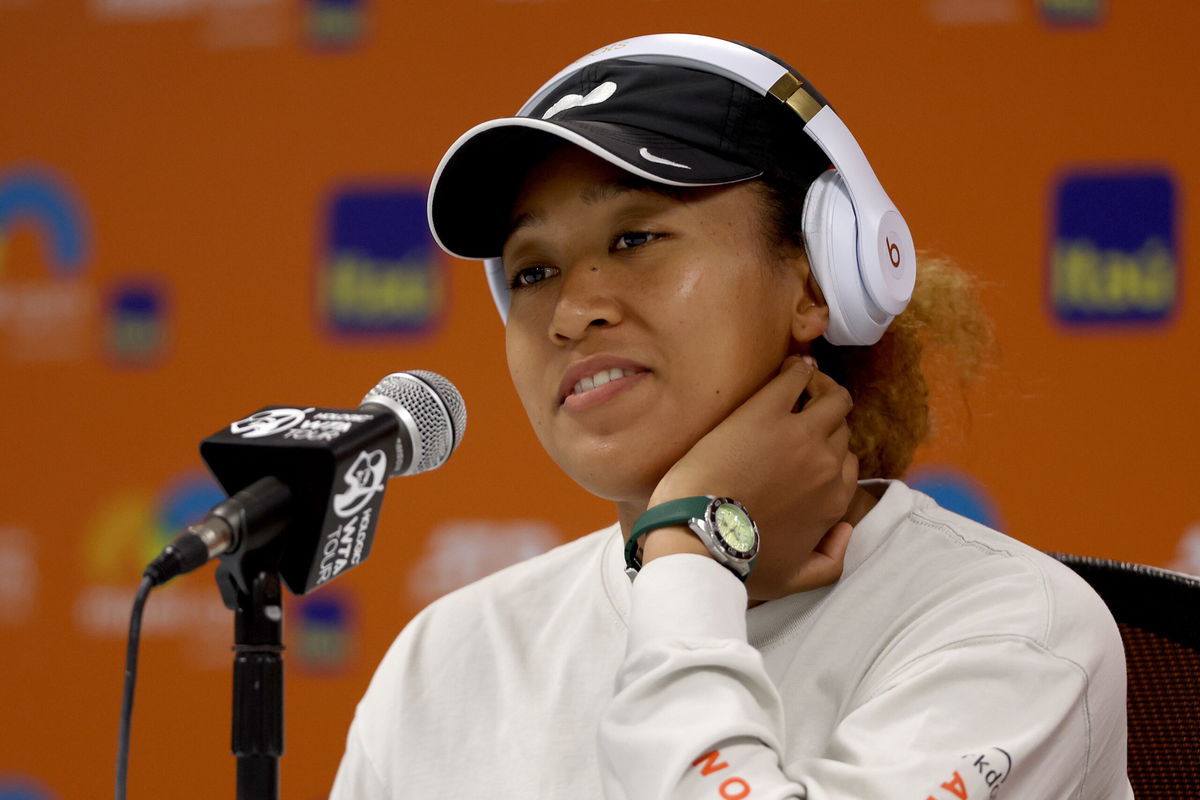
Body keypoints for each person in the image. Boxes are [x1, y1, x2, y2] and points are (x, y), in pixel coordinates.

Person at [331, 34, 1132, 799]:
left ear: (820, 277)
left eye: (638, 235)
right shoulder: (448, 660)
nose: (572, 312)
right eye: (533, 270)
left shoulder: (1014, 629)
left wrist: (689, 546)